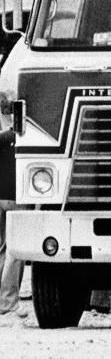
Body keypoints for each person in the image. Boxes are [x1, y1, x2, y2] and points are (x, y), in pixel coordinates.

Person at [0, 128, 26, 320]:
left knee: (2, 249)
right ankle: (8, 302)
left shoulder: (2, 139)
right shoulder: (27, 139)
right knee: (16, 251)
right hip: (17, 197)